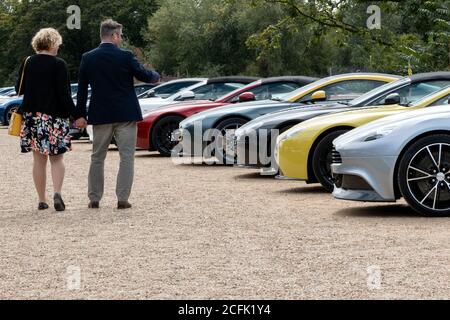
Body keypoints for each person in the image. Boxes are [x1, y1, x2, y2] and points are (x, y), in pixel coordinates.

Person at [74, 19, 159, 210]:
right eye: (119, 35)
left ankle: (94, 198)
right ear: (113, 36)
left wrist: (80, 115)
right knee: (126, 157)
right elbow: (145, 75)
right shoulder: (126, 56)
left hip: (100, 113)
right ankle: (122, 198)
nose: (120, 39)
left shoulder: (88, 58)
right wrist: (155, 75)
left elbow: (81, 90)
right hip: (126, 113)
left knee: (97, 157)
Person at [16, 28, 76, 212]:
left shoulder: (28, 62)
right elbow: (64, 95)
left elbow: (19, 87)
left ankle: (41, 200)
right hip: (55, 117)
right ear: (52, 43)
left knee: (38, 160)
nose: (59, 47)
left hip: (33, 117)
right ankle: (57, 193)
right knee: (57, 159)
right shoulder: (59, 64)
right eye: (58, 43)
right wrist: (75, 114)